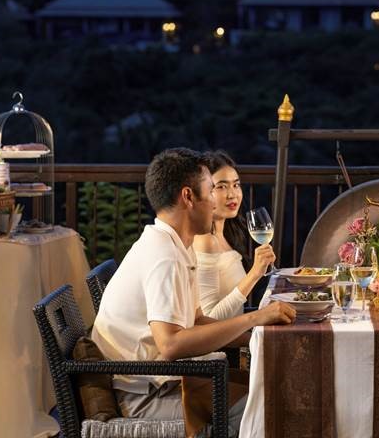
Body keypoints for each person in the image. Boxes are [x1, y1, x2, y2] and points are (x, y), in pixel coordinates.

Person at [91, 148, 296, 436]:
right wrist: (254, 319)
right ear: (188, 197)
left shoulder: (176, 245)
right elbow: (171, 344)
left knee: (272, 385)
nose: (216, 202)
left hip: (166, 380)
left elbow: (198, 320)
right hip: (143, 396)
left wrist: (258, 335)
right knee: (272, 402)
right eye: (212, 191)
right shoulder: (164, 255)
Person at [193, 150, 275, 319]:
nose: (232, 194)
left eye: (236, 185)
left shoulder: (228, 234)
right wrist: (255, 274)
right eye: (221, 187)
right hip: (221, 344)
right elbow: (209, 320)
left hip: (233, 336)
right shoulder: (205, 241)